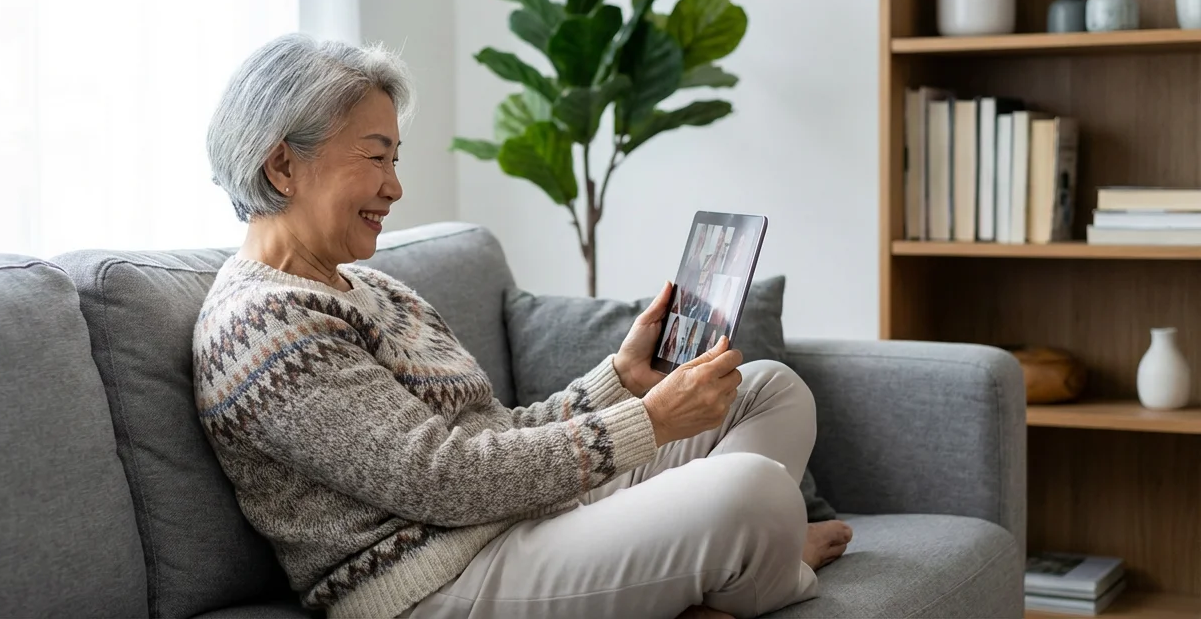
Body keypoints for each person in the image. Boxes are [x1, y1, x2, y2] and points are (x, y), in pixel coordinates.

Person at [192, 34, 851, 619]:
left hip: (512, 523)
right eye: (375, 157)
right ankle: (765, 567)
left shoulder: (372, 288)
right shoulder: (263, 329)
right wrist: (649, 422)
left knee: (767, 388)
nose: (395, 188)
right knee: (756, 490)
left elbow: (494, 436)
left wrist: (619, 381)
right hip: (436, 583)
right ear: (283, 167)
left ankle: (713, 584)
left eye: (396, 160)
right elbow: (440, 477)